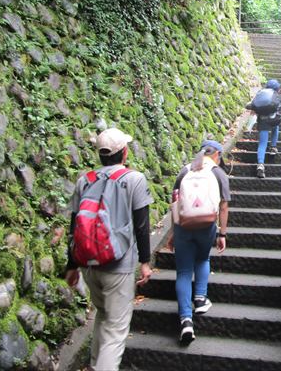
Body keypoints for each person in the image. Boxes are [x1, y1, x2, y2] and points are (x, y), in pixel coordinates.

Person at [65, 127, 153, 371]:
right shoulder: (133, 179)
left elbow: (74, 225)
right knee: (116, 329)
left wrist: (71, 266)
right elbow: (142, 224)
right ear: (124, 153)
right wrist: (145, 262)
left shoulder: (85, 180)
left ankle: (95, 364)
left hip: (88, 264)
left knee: (102, 316)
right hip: (119, 265)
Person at [166, 140, 230, 344]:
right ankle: (200, 299)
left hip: (183, 226)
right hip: (206, 226)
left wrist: (174, 231)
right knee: (202, 259)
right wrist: (222, 234)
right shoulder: (218, 173)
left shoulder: (185, 171)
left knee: (183, 272)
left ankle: (186, 320)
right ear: (217, 155)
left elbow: (175, 203)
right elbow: (224, 206)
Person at [246, 79, 281, 178]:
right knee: (276, 124)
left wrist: (249, 126)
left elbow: (253, 109)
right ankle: (273, 147)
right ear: (278, 89)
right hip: (273, 120)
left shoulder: (260, 93)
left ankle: (260, 165)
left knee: (262, 143)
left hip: (262, 121)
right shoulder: (277, 96)